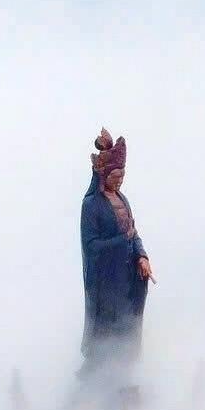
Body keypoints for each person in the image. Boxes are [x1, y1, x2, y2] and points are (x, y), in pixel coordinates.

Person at [79, 128, 154, 384]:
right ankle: (96, 383)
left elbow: (133, 232)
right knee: (105, 332)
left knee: (126, 328)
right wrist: (122, 242)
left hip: (127, 278)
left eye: (122, 175)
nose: (119, 180)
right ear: (104, 175)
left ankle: (123, 377)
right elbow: (91, 246)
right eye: (115, 176)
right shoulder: (91, 206)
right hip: (106, 282)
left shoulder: (123, 199)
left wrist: (142, 256)